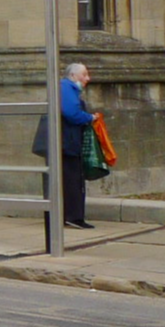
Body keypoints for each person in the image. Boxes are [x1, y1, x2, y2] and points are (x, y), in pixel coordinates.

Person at [59, 63, 98, 229]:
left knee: (69, 178)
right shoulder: (66, 88)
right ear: (73, 76)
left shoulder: (65, 88)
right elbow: (71, 113)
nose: (87, 79)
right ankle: (73, 217)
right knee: (72, 179)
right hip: (67, 142)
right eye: (84, 74)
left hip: (65, 141)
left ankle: (67, 215)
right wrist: (89, 118)